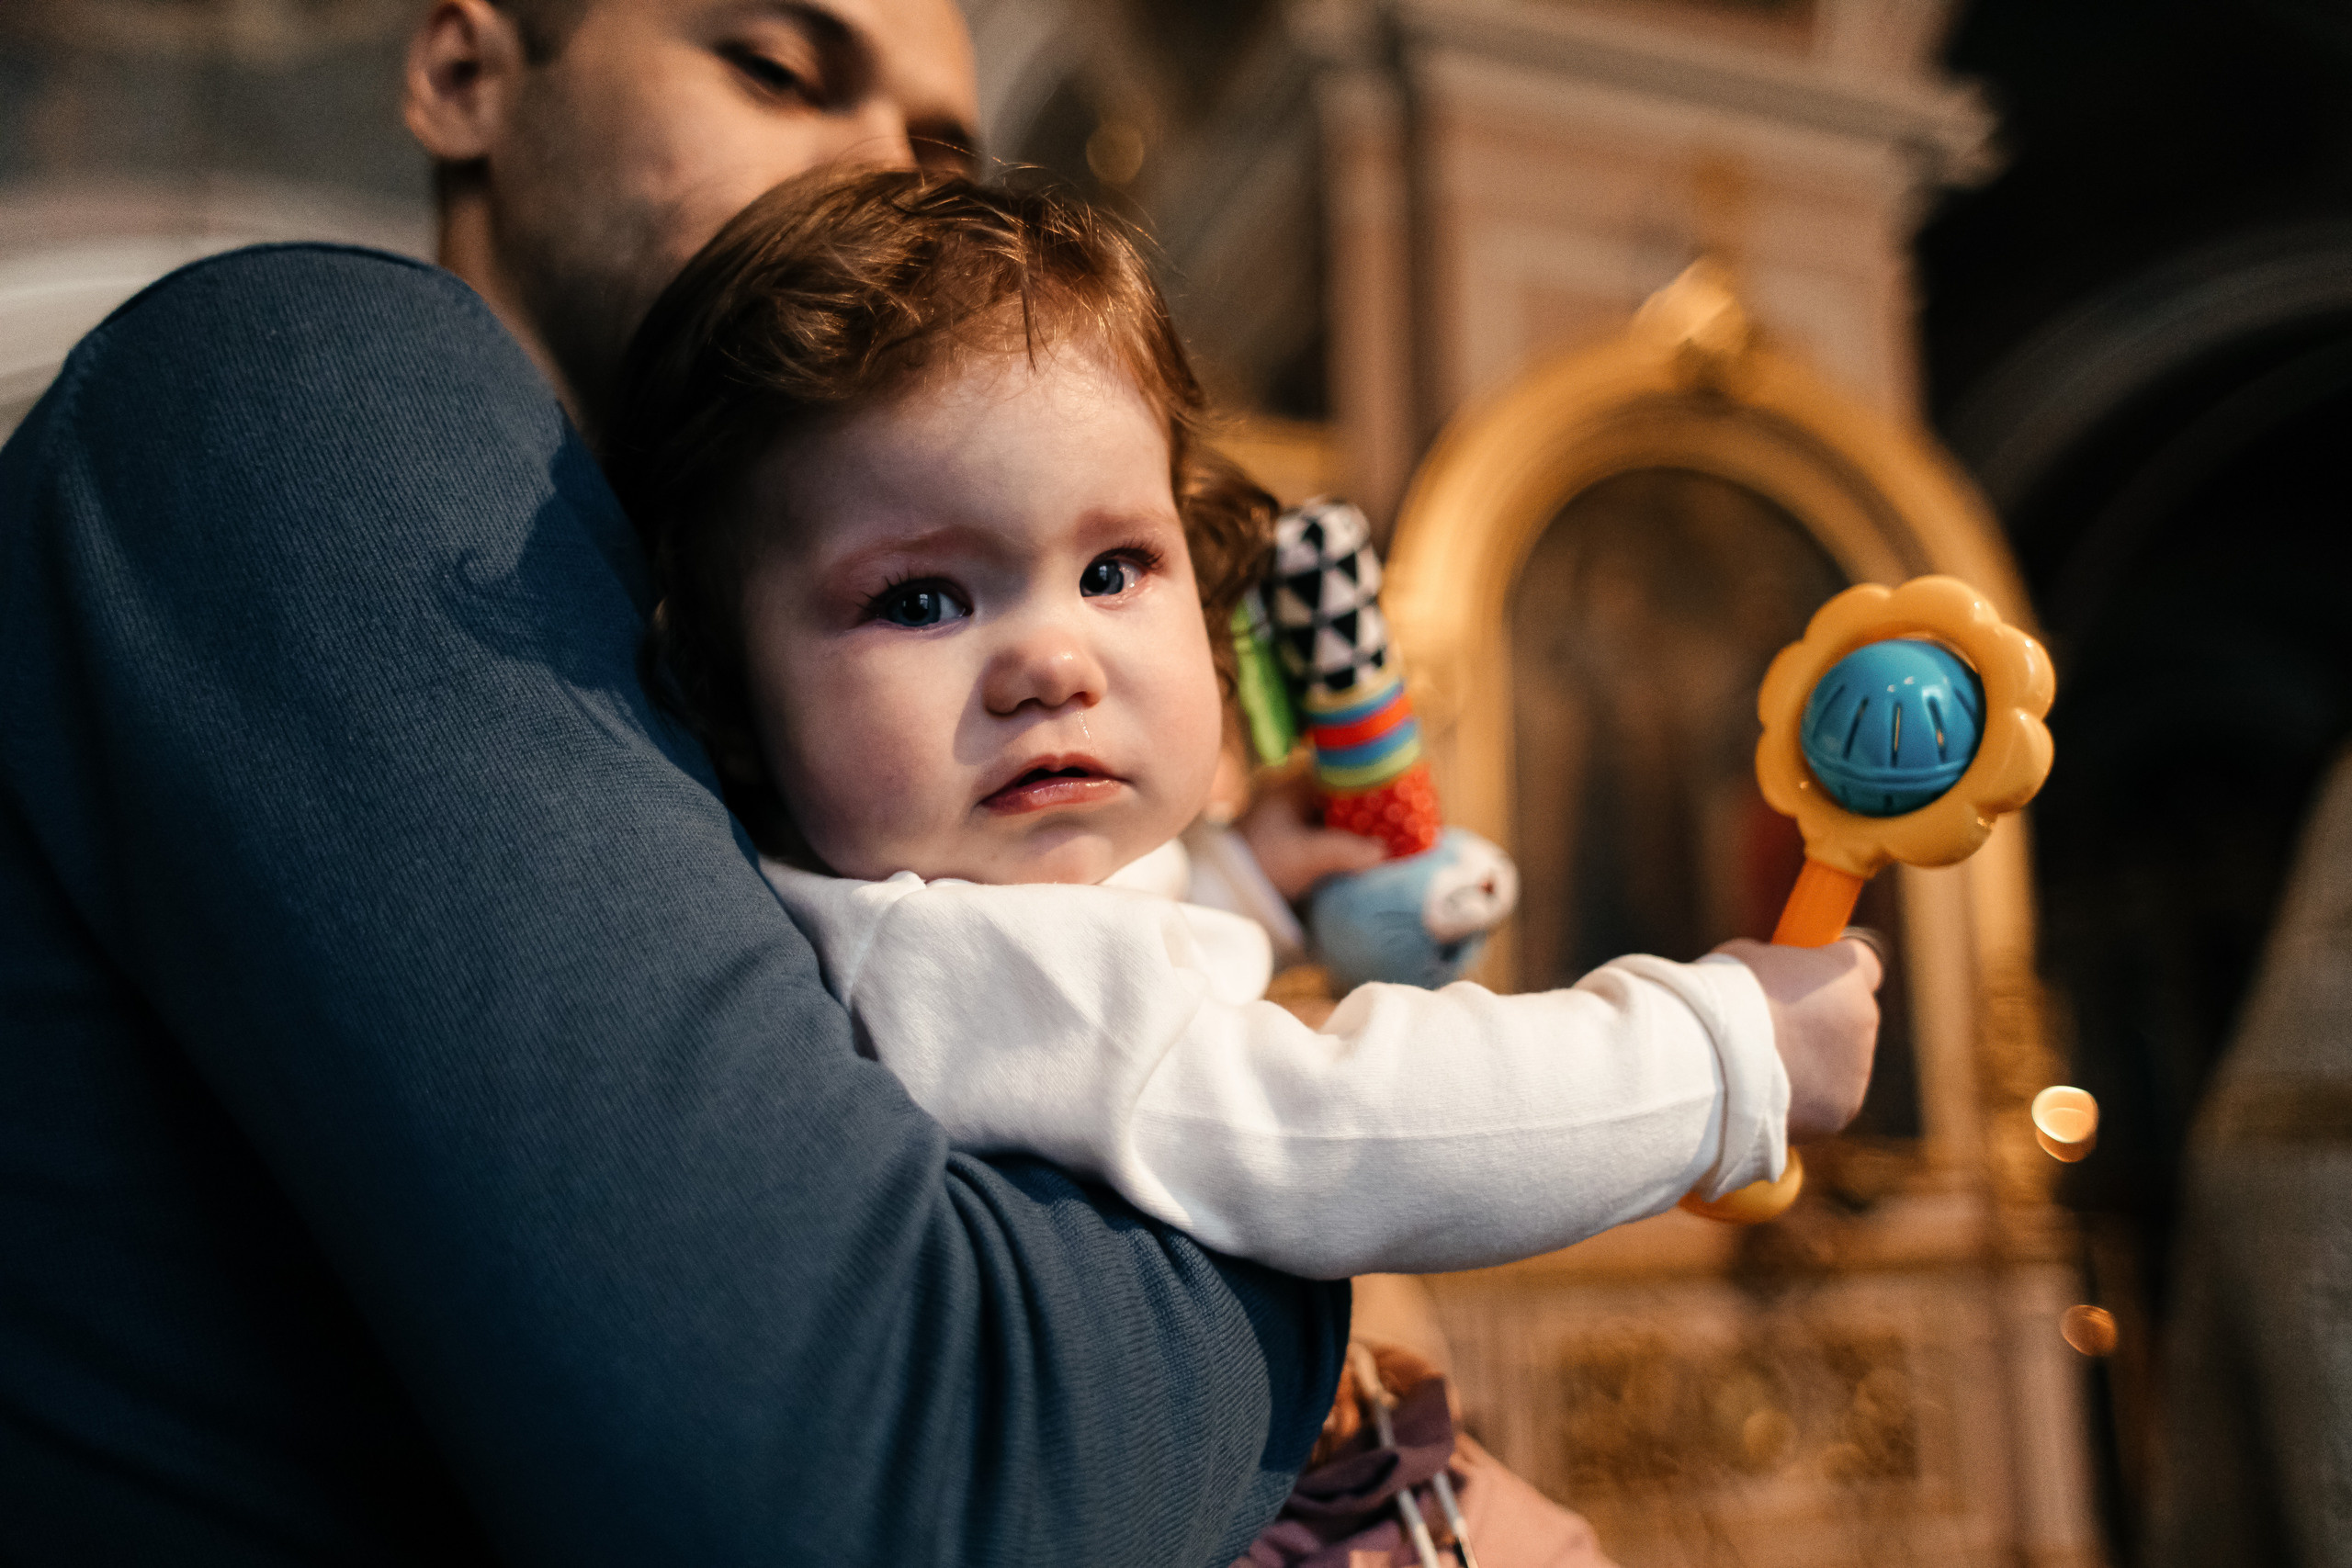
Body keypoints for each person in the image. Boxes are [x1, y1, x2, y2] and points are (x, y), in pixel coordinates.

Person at [0, 1, 1355, 1562]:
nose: (881, 180)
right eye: (777, 70)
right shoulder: (315, 388)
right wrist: (1327, 1187)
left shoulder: (731, 691)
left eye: (939, 149)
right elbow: (904, 1477)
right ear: (466, 72)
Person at [604, 168, 1886, 1280]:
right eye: (922, 598)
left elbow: (1128, 1033)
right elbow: (1326, 1130)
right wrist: (1722, 1058)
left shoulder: (954, 920)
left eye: (1113, 570)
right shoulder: (947, 954)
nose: (1053, 660)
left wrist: (1237, 876)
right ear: (725, 689)